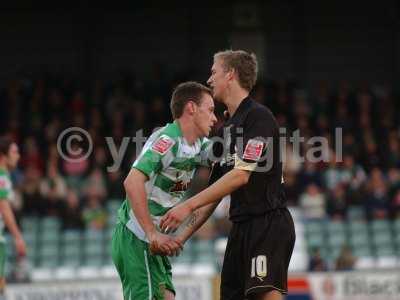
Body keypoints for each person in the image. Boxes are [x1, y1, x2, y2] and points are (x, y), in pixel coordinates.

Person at [160, 50, 296, 300]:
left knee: (264, 294)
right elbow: (212, 196)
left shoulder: (259, 118)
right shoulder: (225, 130)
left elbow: (241, 175)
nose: (209, 79)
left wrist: (187, 205)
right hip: (240, 228)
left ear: (230, 74)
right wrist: (180, 238)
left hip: (267, 224)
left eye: (214, 72)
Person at [111, 81, 217, 300]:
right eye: (211, 110)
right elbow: (132, 182)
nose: (215, 118)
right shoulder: (168, 140)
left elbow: (226, 159)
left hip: (155, 243)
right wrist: (151, 233)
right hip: (137, 238)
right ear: (191, 108)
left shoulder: (198, 145)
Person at [0, 136, 27, 299]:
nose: (18, 155)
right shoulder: (2, 176)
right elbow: (4, 207)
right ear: (3, 156)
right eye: (14, 151)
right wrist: (18, 238)